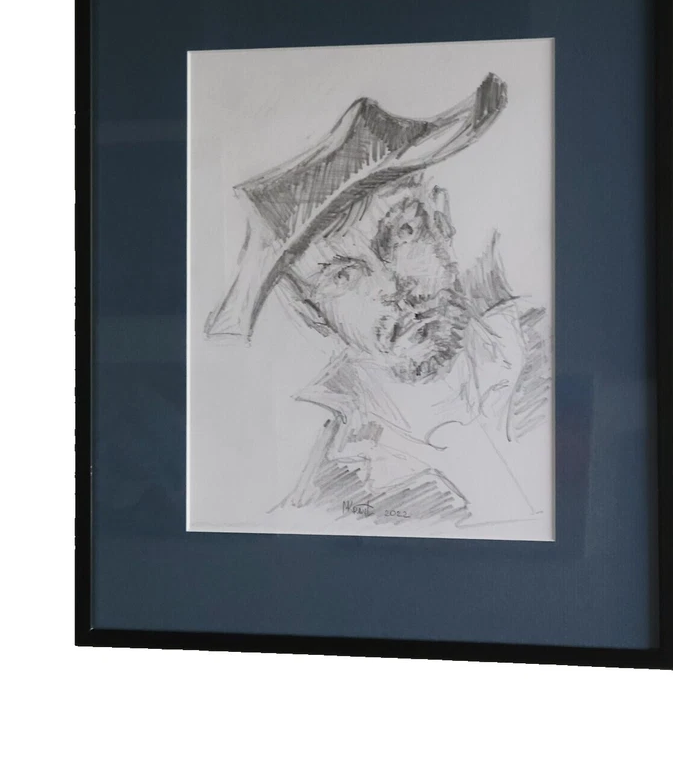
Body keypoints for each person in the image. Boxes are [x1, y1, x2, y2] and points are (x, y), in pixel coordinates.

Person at [205, 74, 550, 530]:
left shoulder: (547, 347)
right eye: (343, 276)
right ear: (311, 314)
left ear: (441, 219)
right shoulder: (333, 495)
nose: (393, 287)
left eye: (402, 233)